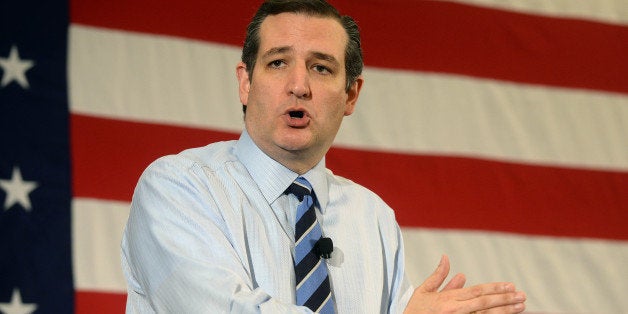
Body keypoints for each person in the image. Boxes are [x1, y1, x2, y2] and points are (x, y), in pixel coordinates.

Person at [121, 0, 527, 313]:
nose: (298, 86)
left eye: (321, 68)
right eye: (278, 63)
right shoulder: (178, 187)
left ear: (351, 94)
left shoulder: (373, 217)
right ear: (245, 83)